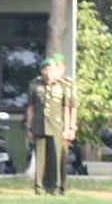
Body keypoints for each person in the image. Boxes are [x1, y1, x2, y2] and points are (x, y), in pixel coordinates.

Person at [26, 54, 75, 195]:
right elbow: (31, 108)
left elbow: (67, 108)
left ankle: (57, 187)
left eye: (51, 69)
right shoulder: (35, 84)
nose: (48, 73)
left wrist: (68, 127)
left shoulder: (64, 86)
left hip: (57, 127)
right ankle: (39, 187)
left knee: (56, 158)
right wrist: (30, 127)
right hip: (39, 125)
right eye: (45, 69)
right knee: (40, 159)